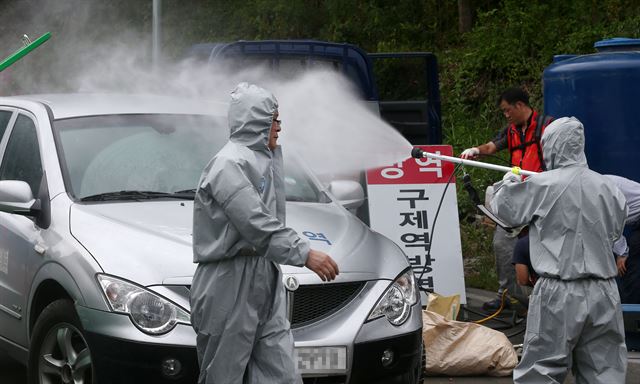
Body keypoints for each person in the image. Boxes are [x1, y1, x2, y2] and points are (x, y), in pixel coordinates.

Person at [190, 82, 339, 384]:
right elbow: (255, 222)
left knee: (280, 372)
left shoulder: (261, 160)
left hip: (263, 276)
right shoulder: (227, 165)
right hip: (228, 282)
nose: (279, 128)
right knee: (223, 375)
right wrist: (305, 254)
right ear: (256, 121)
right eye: (274, 119)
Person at [490, 117, 627, 383]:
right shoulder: (609, 187)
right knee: (605, 370)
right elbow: (615, 231)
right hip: (603, 290)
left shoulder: (543, 184)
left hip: (558, 291)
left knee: (541, 370)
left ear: (551, 146)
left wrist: (507, 183)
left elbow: (505, 211)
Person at [461, 87, 553, 311]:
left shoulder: (547, 127)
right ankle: (507, 296)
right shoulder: (511, 131)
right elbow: (491, 146)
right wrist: (475, 150)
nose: (506, 115)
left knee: (542, 246)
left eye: (507, 110)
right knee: (502, 242)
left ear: (520, 105)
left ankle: (544, 296)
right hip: (517, 195)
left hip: (543, 196)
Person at [605, 174, 640, 304]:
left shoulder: (597, 190)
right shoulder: (598, 183)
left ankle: (631, 310)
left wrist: (622, 252)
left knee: (630, 260)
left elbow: (608, 222)